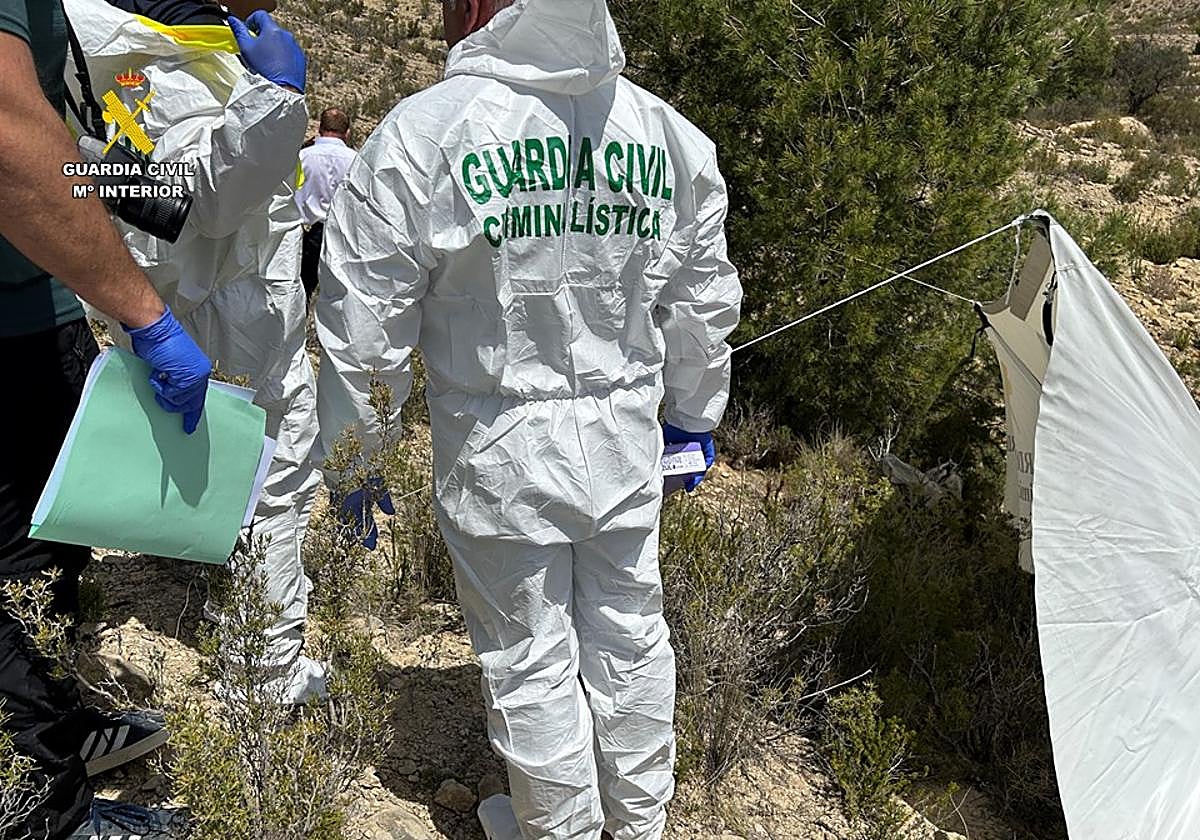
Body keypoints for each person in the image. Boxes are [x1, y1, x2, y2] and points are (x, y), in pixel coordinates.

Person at [314, 0, 743, 837]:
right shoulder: (666, 136)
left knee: (531, 656)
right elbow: (703, 298)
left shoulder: (425, 134)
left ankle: (563, 831)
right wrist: (693, 416)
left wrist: (356, 457)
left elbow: (365, 322)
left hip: (496, 449)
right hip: (624, 437)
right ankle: (640, 825)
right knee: (629, 636)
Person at [67, 0, 327, 705]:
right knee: (273, 484)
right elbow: (200, 199)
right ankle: (268, 674)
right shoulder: (167, 67)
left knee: (230, 469)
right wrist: (276, 98)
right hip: (231, 309)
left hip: (203, 303)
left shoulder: (137, 66)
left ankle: (230, 599)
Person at [0, 2, 213, 837]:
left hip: (31, 302)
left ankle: (56, 737)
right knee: (13, 573)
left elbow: (43, 124)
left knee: (50, 553)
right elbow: (10, 137)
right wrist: (142, 311)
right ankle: (43, 814)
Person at [298, 107, 357, 302]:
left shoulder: (303, 156)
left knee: (300, 292)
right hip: (340, 235)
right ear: (347, 132)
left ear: (320, 128)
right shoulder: (356, 161)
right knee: (339, 297)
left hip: (303, 234)